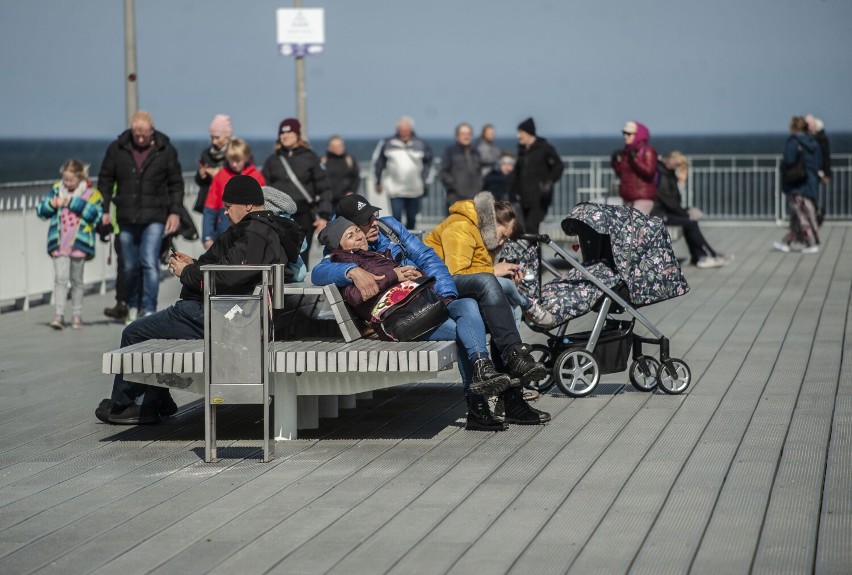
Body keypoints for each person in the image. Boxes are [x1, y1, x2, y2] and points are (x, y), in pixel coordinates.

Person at [313, 194, 551, 427]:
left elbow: (427, 256)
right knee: (487, 297)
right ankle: (504, 389)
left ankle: (502, 378)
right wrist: (352, 272)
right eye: (364, 222)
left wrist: (445, 297)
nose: (374, 223)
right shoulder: (342, 246)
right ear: (349, 226)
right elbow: (320, 271)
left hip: (429, 292)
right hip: (407, 314)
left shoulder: (388, 227)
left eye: (373, 215)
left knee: (481, 303)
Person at [95, 176, 304, 425]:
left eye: (228, 206)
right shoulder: (263, 229)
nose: (224, 212)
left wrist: (186, 273)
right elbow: (231, 268)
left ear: (247, 205)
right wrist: (194, 264)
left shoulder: (254, 233)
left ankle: (123, 405)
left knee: (134, 332)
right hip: (232, 312)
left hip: (215, 313)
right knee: (154, 332)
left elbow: (228, 278)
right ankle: (155, 400)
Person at [97, 111, 184, 322]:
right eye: (137, 134)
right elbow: (105, 180)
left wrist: (175, 212)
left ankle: (149, 309)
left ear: (152, 130)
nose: (141, 138)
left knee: (149, 262)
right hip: (126, 217)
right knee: (129, 266)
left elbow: (175, 184)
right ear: (131, 130)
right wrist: (105, 209)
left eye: (144, 133)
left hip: (155, 216)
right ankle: (133, 305)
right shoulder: (117, 149)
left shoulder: (165, 150)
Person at [424, 191, 555, 328]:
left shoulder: (485, 237)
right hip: (438, 287)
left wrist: (507, 278)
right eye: (503, 235)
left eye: (506, 239)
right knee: (507, 289)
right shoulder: (461, 227)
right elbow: (457, 273)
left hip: (463, 288)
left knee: (512, 306)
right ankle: (527, 305)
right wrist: (493, 271)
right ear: (492, 222)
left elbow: (478, 272)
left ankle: (509, 346)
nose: (501, 242)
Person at [36, 159, 104, 330]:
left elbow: (95, 215)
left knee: (76, 280)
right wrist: (52, 204)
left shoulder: (91, 194)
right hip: (59, 244)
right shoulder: (57, 190)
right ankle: (58, 315)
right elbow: (41, 211)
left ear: (80, 177)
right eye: (65, 179)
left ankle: (76, 315)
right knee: (60, 279)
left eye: (71, 180)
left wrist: (71, 202)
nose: (67, 183)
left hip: (80, 245)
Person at [261, 118, 331, 267]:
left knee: (301, 256)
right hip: (278, 216)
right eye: (282, 133)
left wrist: (323, 216)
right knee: (279, 256)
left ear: (297, 134)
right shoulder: (272, 161)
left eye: (290, 132)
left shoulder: (310, 157)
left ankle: (299, 290)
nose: (286, 136)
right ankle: (283, 289)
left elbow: (324, 188)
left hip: (304, 215)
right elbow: (264, 189)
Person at [652, 152, 731, 268]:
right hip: (659, 214)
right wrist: (685, 213)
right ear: (672, 164)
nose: (680, 170)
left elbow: (675, 201)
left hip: (664, 211)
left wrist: (680, 182)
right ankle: (710, 254)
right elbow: (671, 202)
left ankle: (698, 256)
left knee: (689, 222)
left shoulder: (668, 174)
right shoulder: (663, 177)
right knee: (690, 223)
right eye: (679, 166)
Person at [372, 116, 433, 230]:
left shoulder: (421, 144)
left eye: (406, 129)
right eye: (401, 129)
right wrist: (378, 180)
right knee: (396, 218)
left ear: (411, 129)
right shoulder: (387, 143)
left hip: (415, 189)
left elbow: (429, 162)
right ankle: (398, 243)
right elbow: (379, 162)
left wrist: (424, 179)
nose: (404, 132)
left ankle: (410, 244)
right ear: (397, 129)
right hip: (395, 189)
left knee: (412, 218)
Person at [202, 138, 265, 248]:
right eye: (232, 160)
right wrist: (207, 236)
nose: (235, 164)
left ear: (246, 158)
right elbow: (210, 208)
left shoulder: (256, 176)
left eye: (238, 160)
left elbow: (264, 206)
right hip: (224, 233)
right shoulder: (220, 176)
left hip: (251, 233)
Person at [773, 116, 823, 254]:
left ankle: (811, 243)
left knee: (801, 215)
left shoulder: (794, 141)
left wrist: (784, 168)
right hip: (810, 182)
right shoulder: (813, 142)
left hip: (797, 183)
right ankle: (786, 242)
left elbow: (789, 160)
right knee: (800, 214)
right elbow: (819, 162)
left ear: (794, 128)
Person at [507, 117, 564, 234]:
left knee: (531, 226)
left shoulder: (544, 148)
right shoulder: (522, 151)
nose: (518, 136)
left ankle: (535, 252)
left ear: (528, 133)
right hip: (524, 197)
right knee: (526, 229)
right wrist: (510, 192)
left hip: (540, 197)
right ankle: (533, 252)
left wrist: (548, 182)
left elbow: (558, 166)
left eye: (521, 133)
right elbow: (517, 173)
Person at [611, 121, 658, 215]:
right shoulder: (626, 152)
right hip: (627, 198)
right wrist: (615, 162)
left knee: (635, 226)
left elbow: (649, 171)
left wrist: (635, 160)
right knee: (626, 226)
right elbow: (621, 173)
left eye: (629, 134)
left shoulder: (648, 151)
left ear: (638, 135)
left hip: (642, 198)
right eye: (624, 133)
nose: (625, 136)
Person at [193, 114, 233, 214]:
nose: (214, 141)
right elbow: (199, 182)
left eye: (217, 138)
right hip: (208, 202)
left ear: (227, 137)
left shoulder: (236, 154)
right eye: (212, 137)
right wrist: (201, 175)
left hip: (228, 202)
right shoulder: (206, 154)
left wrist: (219, 175)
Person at [440, 122, 482, 209]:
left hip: (475, 197)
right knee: (456, 222)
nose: (466, 136)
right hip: (456, 197)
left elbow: (479, 172)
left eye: (468, 134)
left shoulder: (476, 152)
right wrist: (454, 186)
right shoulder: (450, 151)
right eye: (463, 134)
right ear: (457, 136)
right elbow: (444, 172)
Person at [321, 135, 361, 212]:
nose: (340, 148)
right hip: (328, 201)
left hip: (345, 199)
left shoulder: (349, 160)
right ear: (330, 147)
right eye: (336, 146)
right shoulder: (323, 161)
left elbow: (355, 177)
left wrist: (351, 191)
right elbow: (319, 179)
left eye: (341, 145)